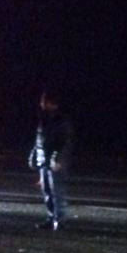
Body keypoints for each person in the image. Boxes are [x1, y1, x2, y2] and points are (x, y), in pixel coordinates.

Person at [28, 90, 74, 230]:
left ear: (52, 103)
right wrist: (34, 156)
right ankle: (51, 218)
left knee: (57, 192)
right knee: (47, 191)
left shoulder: (61, 121)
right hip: (44, 160)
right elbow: (39, 140)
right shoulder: (43, 119)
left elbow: (64, 142)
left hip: (55, 162)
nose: (41, 104)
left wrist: (57, 159)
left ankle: (59, 220)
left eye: (44, 101)